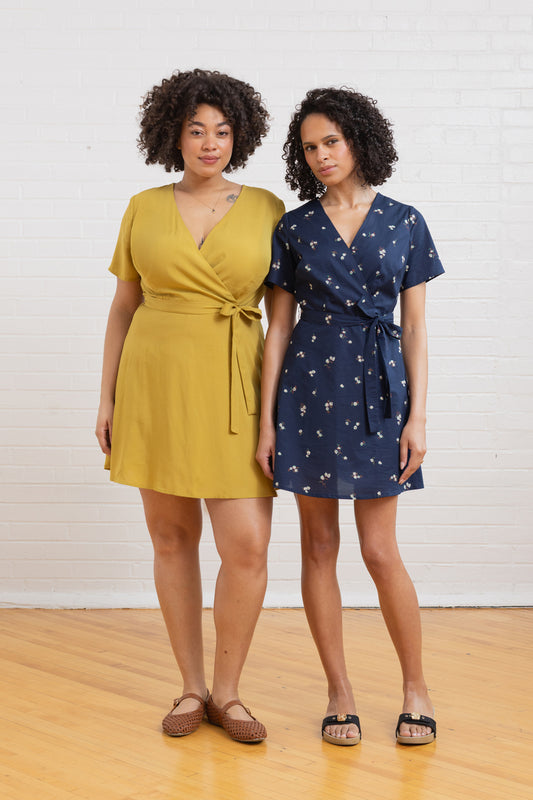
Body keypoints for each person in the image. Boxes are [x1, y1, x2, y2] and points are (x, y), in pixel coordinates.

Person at [95, 69, 284, 743]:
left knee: (247, 546)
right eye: (196, 130)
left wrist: (272, 418)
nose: (210, 143)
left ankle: (228, 695)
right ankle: (189, 688)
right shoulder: (143, 206)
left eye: (223, 131)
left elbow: (282, 323)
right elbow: (123, 308)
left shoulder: (268, 207)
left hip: (235, 384)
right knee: (171, 539)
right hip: (156, 385)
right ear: (171, 134)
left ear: (241, 135)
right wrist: (107, 396)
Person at [257, 87, 444, 747]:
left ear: (358, 140)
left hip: (377, 392)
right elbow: (276, 331)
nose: (320, 156)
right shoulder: (294, 227)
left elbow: (416, 329)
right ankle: (338, 692)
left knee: (378, 549)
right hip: (306, 390)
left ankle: (414, 688)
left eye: (330, 141)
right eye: (308, 147)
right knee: (316, 546)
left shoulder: (404, 221)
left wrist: (418, 417)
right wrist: (264, 425)